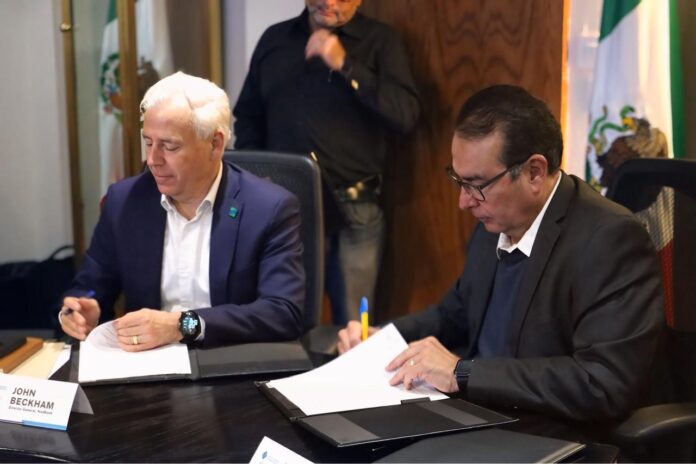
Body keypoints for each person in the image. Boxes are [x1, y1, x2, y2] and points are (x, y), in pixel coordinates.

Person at [337, 85, 664, 421]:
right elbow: (454, 315)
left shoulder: (609, 240)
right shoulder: (494, 222)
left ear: (534, 172)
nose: (464, 202)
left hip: (550, 430)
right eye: (459, 181)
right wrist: (382, 339)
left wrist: (463, 373)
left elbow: (602, 383)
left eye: (476, 185)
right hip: (476, 414)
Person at [59, 72, 305, 352]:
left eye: (170, 146)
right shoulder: (124, 202)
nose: (153, 160)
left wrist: (181, 325)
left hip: (229, 362)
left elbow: (282, 312)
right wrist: (79, 310)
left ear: (215, 144)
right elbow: (89, 287)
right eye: (148, 142)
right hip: (147, 365)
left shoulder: (269, 208)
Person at [233, 0, 420, 324]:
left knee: (354, 326)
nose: (329, 2)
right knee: (286, 317)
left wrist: (346, 64)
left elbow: (405, 115)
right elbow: (248, 117)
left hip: (354, 210)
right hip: (286, 209)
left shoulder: (380, 40)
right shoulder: (275, 39)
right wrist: (257, 180)